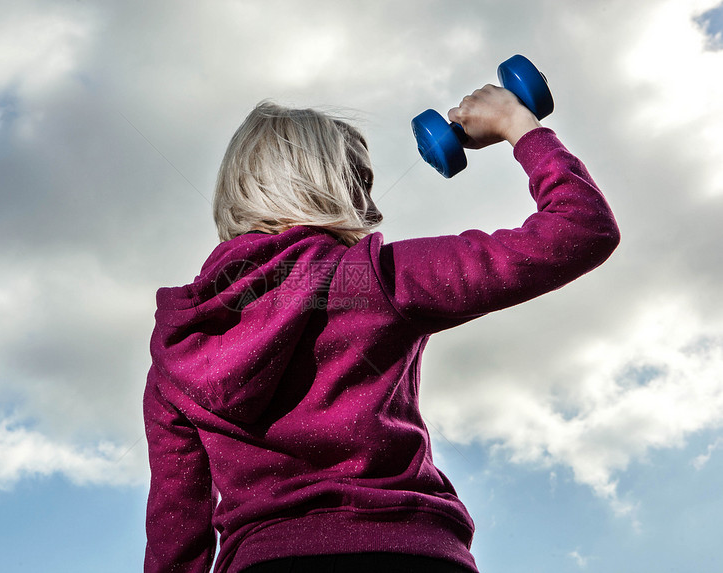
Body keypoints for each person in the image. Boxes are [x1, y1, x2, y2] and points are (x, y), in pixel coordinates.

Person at [143, 85, 620, 573]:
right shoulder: (373, 276)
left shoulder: (180, 340)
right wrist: (519, 125)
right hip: (408, 554)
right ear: (331, 187)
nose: (373, 211)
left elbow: (175, 531)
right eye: (360, 184)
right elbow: (582, 229)